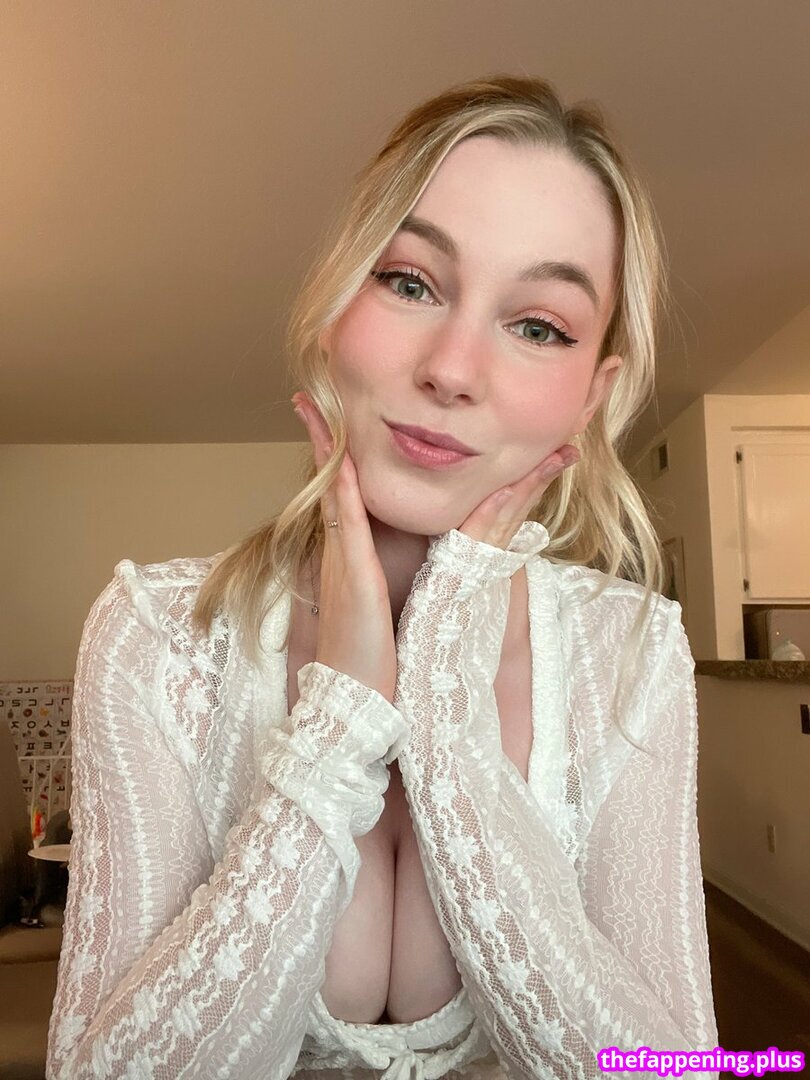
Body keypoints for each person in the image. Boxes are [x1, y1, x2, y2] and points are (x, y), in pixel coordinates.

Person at [47, 75, 719, 1079]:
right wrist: (340, 721)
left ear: (593, 396)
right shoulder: (154, 633)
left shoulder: (632, 652)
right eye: (411, 282)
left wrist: (443, 702)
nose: (452, 369)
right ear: (334, 309)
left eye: (539, 326)